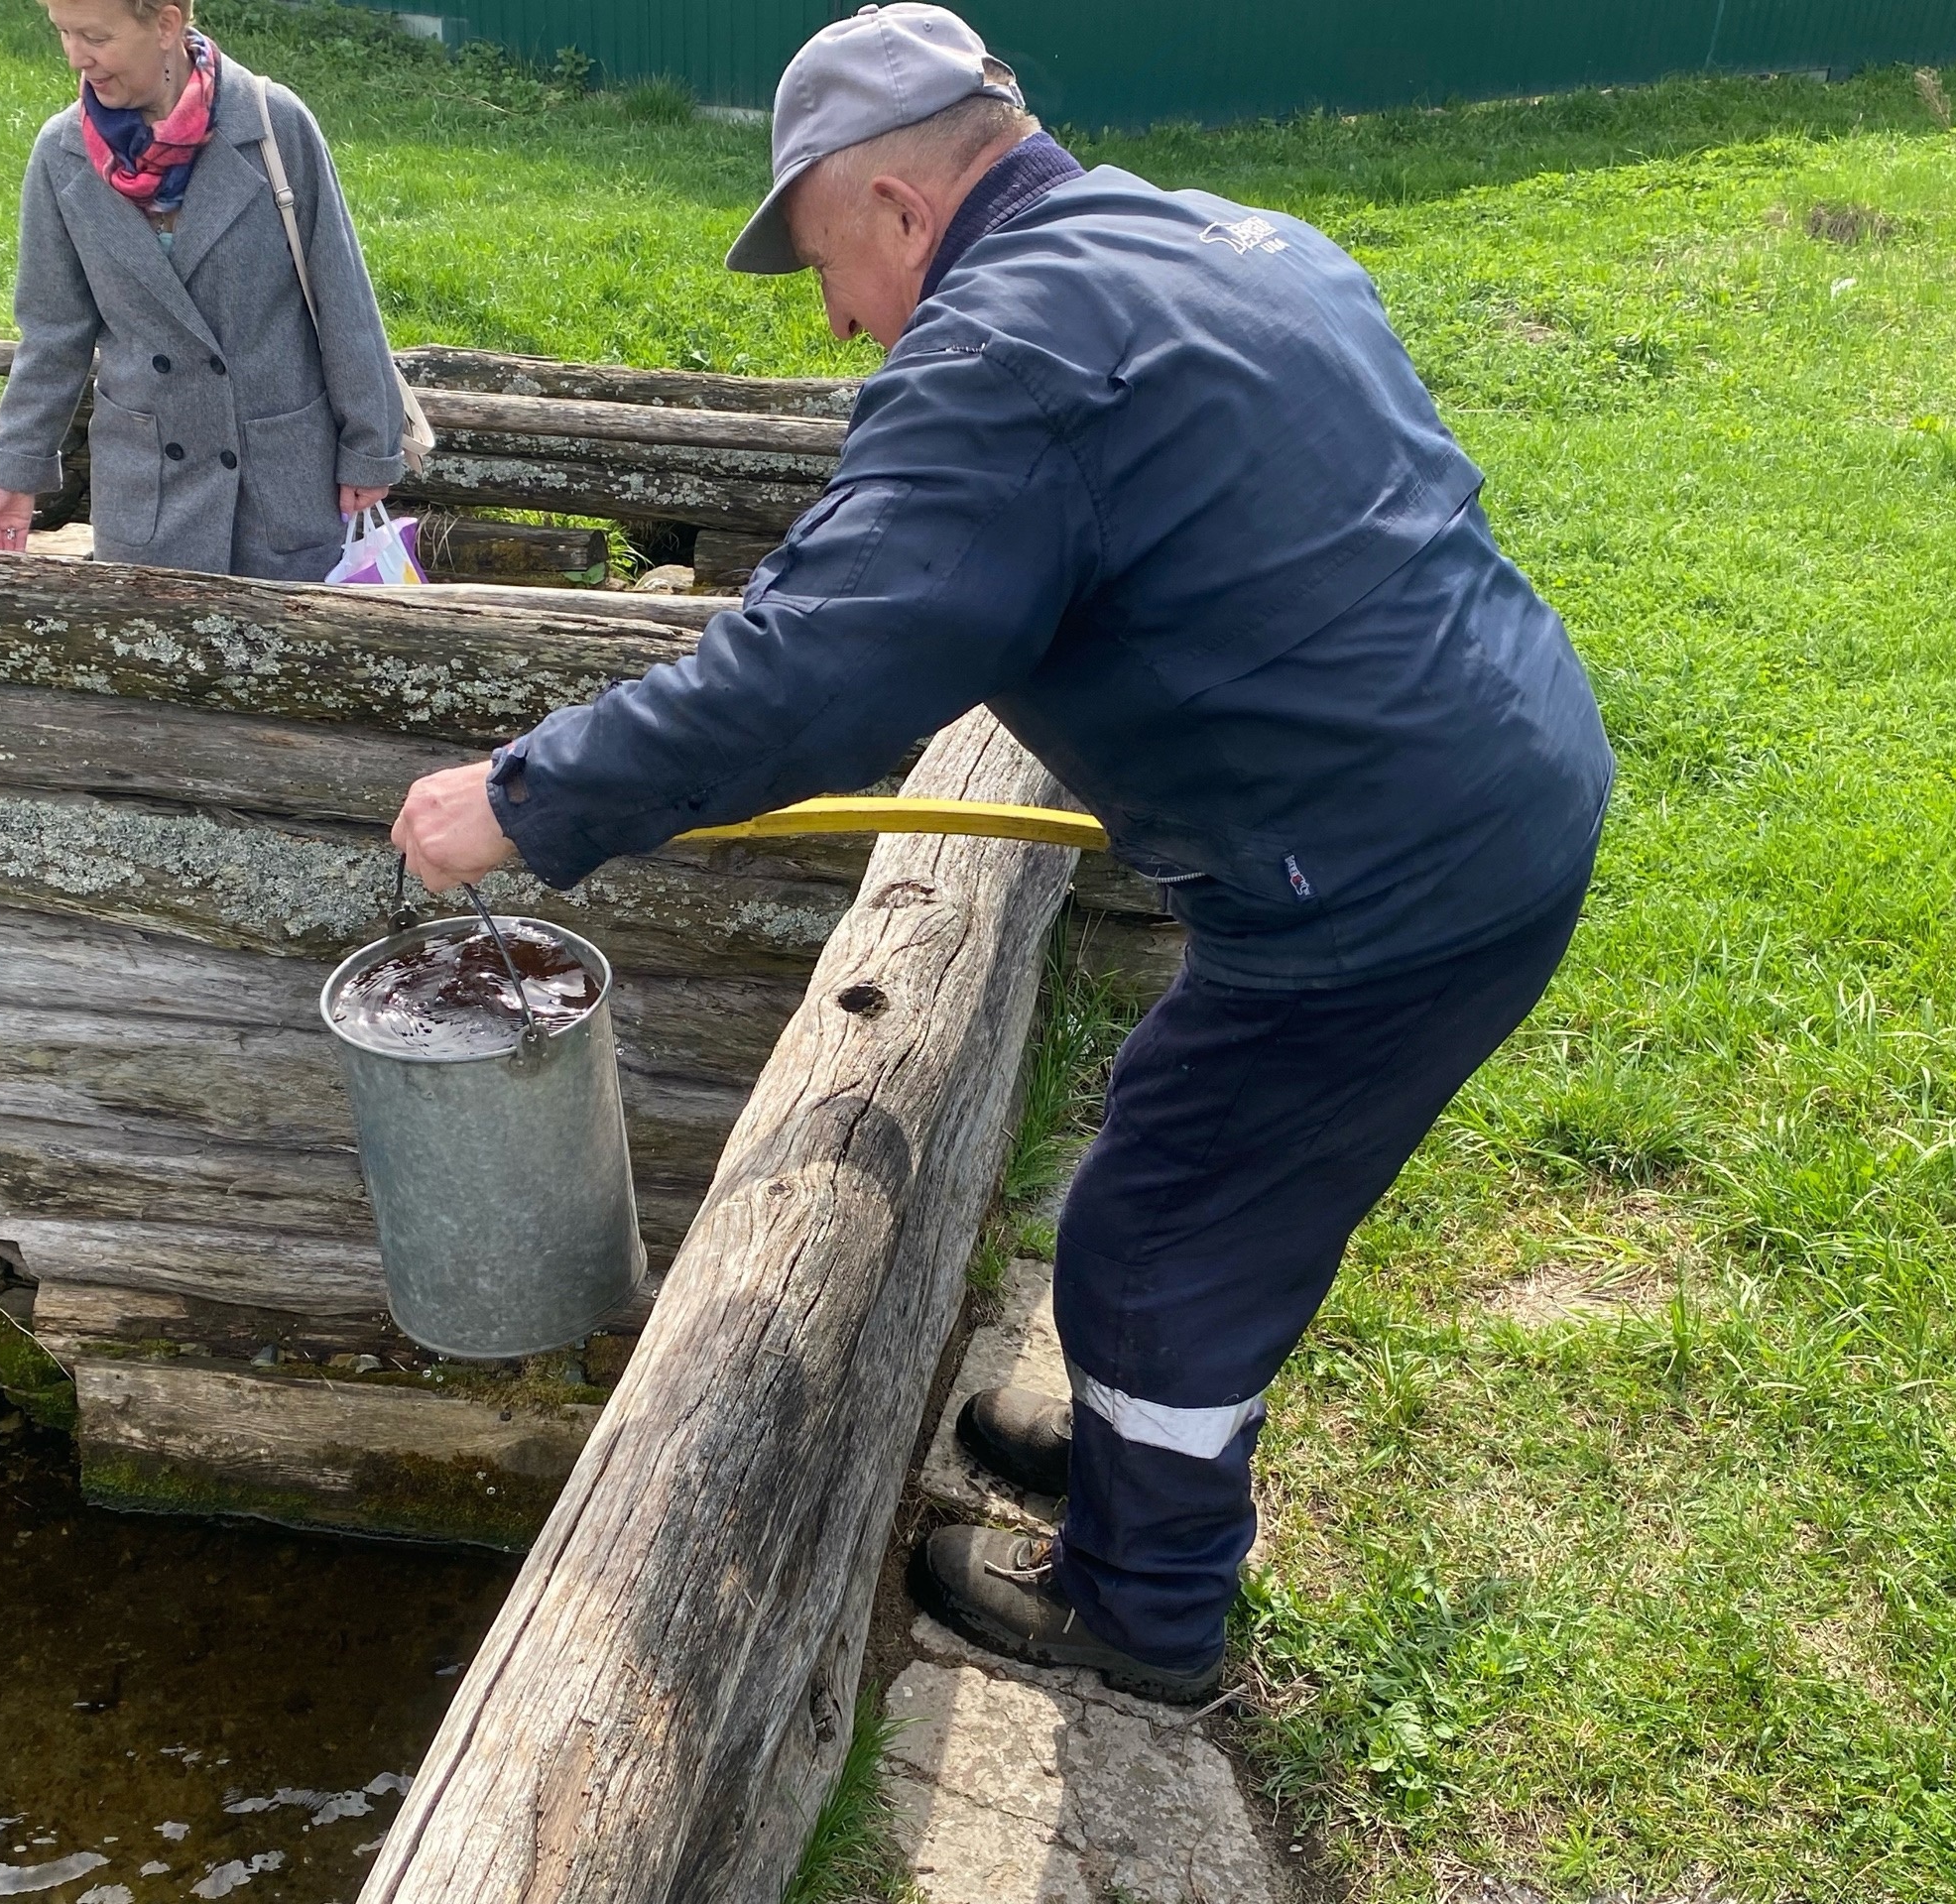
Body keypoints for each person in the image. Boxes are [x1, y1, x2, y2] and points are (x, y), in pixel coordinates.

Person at [391, 2, 1614, 1704]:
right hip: (1482, 782)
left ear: (898, 206)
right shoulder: (1212, 239)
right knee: (1215, 1174)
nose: (836, 320)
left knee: (1159, 1230)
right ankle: (1140, 1443)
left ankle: (1145, 1606)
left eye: (830, 267)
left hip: (1382, 883)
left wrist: (519, 799)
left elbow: (818, 668)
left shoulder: (1006, 358)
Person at [0, 0, 409, 578]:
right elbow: (53, 332)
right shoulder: (62, 153)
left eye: (96, 35)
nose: (78, 57)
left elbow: (342, 292)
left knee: (285, 660)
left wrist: (370, 444)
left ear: (167, 24)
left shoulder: (272, 124)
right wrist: (15, 472)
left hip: (277, 477)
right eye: (64, 34)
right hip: (149, 487)